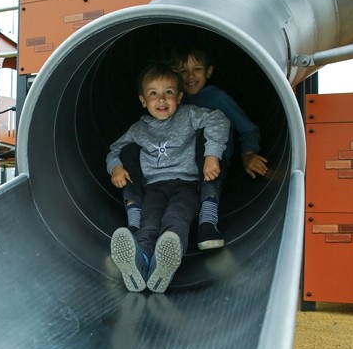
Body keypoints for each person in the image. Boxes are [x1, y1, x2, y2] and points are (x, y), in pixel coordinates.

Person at [118, 45, 268, 250]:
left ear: (209, 71)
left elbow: (248, 129)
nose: (190, 76)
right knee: (132, 153)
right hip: (174, 174)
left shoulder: (216, 99)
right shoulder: (170, 102)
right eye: (182, 71)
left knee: (202, 136)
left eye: (197, 69)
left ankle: (207, 215)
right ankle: (139, 228)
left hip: (214, 161)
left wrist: (248, 154)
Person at [106, 63, 229, 293]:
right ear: (143, 100)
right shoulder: (138, 129)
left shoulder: (189, 115)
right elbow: (115, 150)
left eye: (168, 93)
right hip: (154, 187)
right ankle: (140, 263)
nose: (161, 99)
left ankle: (166, 262)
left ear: (179, 97)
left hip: (187, 185)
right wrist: (116, 168)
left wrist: (212, 154)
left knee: (176, 218)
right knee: (148, 223)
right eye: (154, 94)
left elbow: (218, 119)